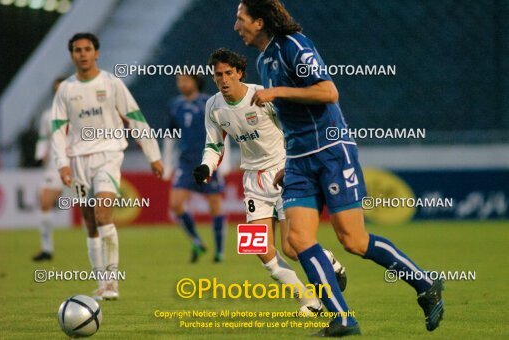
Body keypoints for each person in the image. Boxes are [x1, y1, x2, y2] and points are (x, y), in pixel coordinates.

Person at [234, 0, 444, 336]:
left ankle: (425, 282)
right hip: (300, 160)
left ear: (259, 22)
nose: (236, 25)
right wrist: (290, 162)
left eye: (240, 18)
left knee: (354, 240)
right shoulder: (264, 58)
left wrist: (276, 91)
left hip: (332, 152)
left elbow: (328, 91)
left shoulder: (293, 46)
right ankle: (342, 318)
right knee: (299, 240)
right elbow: (292, 118)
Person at [193, 48, 346, 314]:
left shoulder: (262, 96)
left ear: (239, 72)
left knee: (292, 247)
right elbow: (214, 144)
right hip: (253, 179)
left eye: (229, 73)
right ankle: (308, 299)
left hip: (285, 172)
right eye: (218, 75)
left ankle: (328, 260)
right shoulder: (213, 106)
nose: (224, 79)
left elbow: (293, 128)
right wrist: (206, 166)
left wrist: (294, 163)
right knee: (259, 248)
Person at [51, 32, 163, 300]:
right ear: (72, 55)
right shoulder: (66, 89)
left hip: (109, 156)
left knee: (103, 215)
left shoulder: (112, 83)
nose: (83, 54)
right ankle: (100, 282)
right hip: (78, 160)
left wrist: (153, 154)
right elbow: (57, 129)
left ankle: (112, 282)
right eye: (77, 50)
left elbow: (135, 116)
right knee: (90, 223)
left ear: (96, 53)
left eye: (87, 49)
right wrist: (62, 164)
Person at [163, 74, 227, 263]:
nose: (182, 84)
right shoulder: (175, 105)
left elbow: (224, 131)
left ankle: (219, 251)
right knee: (175, 204)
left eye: (186, 80)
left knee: (215, 205)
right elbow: (170, 136)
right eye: (179, 81)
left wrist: (223, 162)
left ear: (195, 81)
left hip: (208, 160)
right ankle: (197, 241)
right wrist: (167, 164)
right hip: (185, 162)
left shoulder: (209, 102)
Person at [32, 77, 66, 262]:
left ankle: (99, 249)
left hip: (78, 168)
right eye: (56, 89)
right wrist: (40, 155)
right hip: (54, 168)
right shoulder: (47, 116)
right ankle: (47, 249)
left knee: (91, 214)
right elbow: (43, 138)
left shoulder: (81, 113)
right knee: (45, 201)